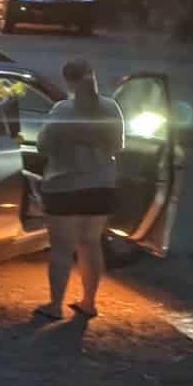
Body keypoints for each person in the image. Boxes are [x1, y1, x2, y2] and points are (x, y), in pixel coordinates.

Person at [33, 58, 123, 321]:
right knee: (90, 243)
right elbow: (117, 146)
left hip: (65, 186)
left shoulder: (62, 111)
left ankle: (55, 306)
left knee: (62, 248)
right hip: (101, 186)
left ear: (68, 82)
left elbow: (43, 146)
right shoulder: (111, 108)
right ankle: (88, 303)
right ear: (92, 76)